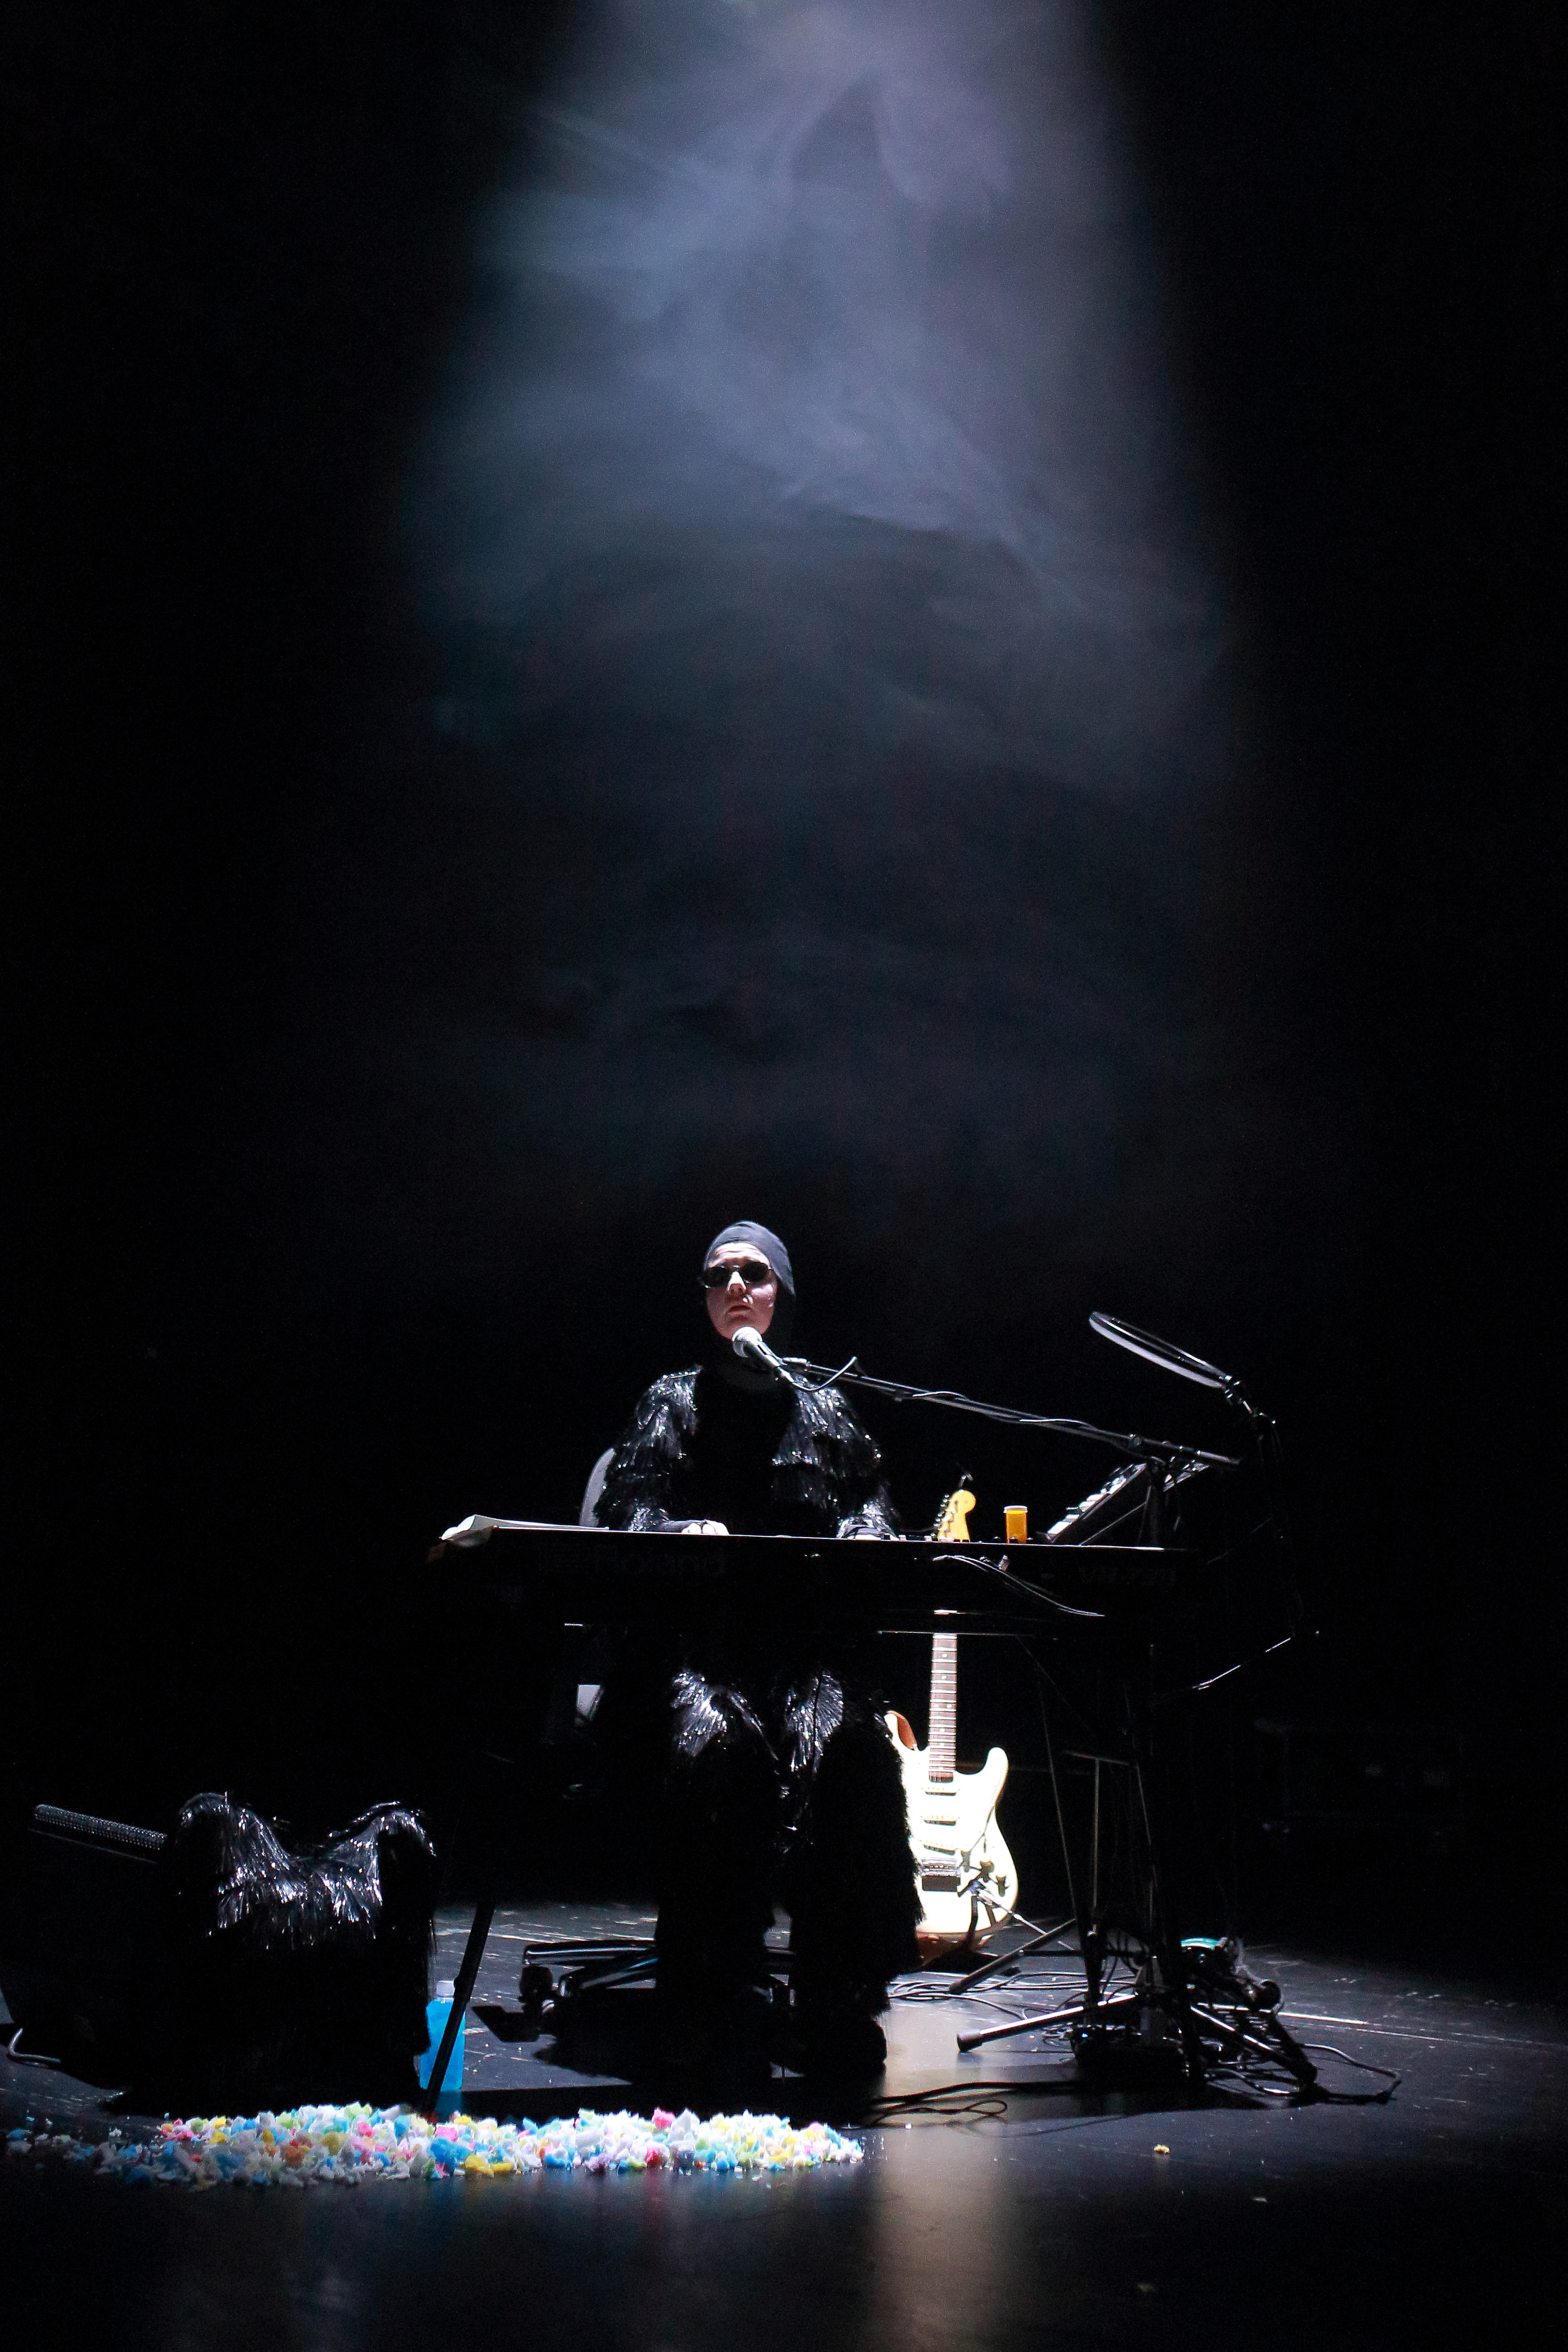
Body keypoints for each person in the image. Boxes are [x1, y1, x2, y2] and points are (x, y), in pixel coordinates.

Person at [596, 1221, 919, 2074]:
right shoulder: (671, 1401)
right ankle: (715, 1986)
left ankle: (836, 1993)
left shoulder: (826, 1407)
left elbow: (874, 1504)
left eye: (754, 1273)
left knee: (849, 1751)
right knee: (720, 1754)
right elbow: (626, 1509)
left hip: (803, 1653)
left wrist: (867, 1530)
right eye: (719, 1275)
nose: (736, 1286)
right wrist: (677, 1531)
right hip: (695, 1652)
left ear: (782, 1294)